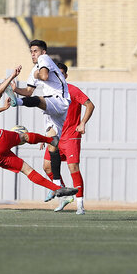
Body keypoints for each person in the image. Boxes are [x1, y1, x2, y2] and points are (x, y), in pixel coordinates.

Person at [0, 65, 78, 199]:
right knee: (24, 136)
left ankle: (58, 189)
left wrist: (3, 108)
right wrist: (12, 77)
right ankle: (51, 140)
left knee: (26, 170)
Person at [11, 39, 71, 197]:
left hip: (59, 100)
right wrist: (16, 89)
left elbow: (43, 76)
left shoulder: (44, 60)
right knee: (53, 144)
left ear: (43, 52)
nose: (33, 54)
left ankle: (16, 102)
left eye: (35, 51)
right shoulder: (33, 69)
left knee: (38, 101)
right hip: (52, 108)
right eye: (31, 51)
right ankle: (58, 185)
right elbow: (29, 91)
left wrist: (18, 97)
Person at [41, 63, 95, 215]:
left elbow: (90, 105)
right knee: (47, 166)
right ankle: (65, 195)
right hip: (55, 137)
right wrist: (45, 136)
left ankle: (80, 205)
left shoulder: (72, 90)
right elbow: (49, 117)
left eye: (61, 73)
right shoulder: (49, 93)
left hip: (71, 136)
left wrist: (82, 123)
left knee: (73, 168)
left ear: (65, 76)